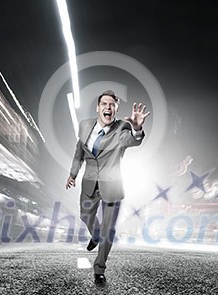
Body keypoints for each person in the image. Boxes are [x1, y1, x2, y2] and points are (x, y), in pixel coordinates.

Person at [65, 90, 150, 285]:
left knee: (108, 230)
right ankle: (94, 235)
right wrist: (73, 174)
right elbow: (79, 151)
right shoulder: (85, 126)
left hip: (112, 186)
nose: (108, 107)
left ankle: (99, 269)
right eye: (104, 104)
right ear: (98, 107)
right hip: (89, 183)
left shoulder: (122, 128)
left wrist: (136, 129)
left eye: (112, 105)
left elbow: (132, 140)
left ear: (116, 110)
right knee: (85, 215)